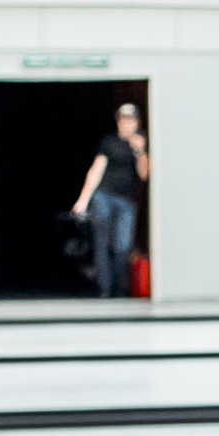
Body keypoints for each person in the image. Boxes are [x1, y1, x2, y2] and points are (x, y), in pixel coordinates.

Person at [70, 102, 148, 300]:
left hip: (126, 202)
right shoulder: (109, 142)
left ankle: (119, 288)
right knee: (102, 243)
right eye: (122, 119)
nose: (125, 124)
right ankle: (104, 290)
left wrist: (139, 150)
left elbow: (144, 174)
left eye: (129, 120)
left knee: (122, 246)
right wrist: (83, 200)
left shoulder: (140, 144)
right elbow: (96, 170)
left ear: (136, 123)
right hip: (104, 197)